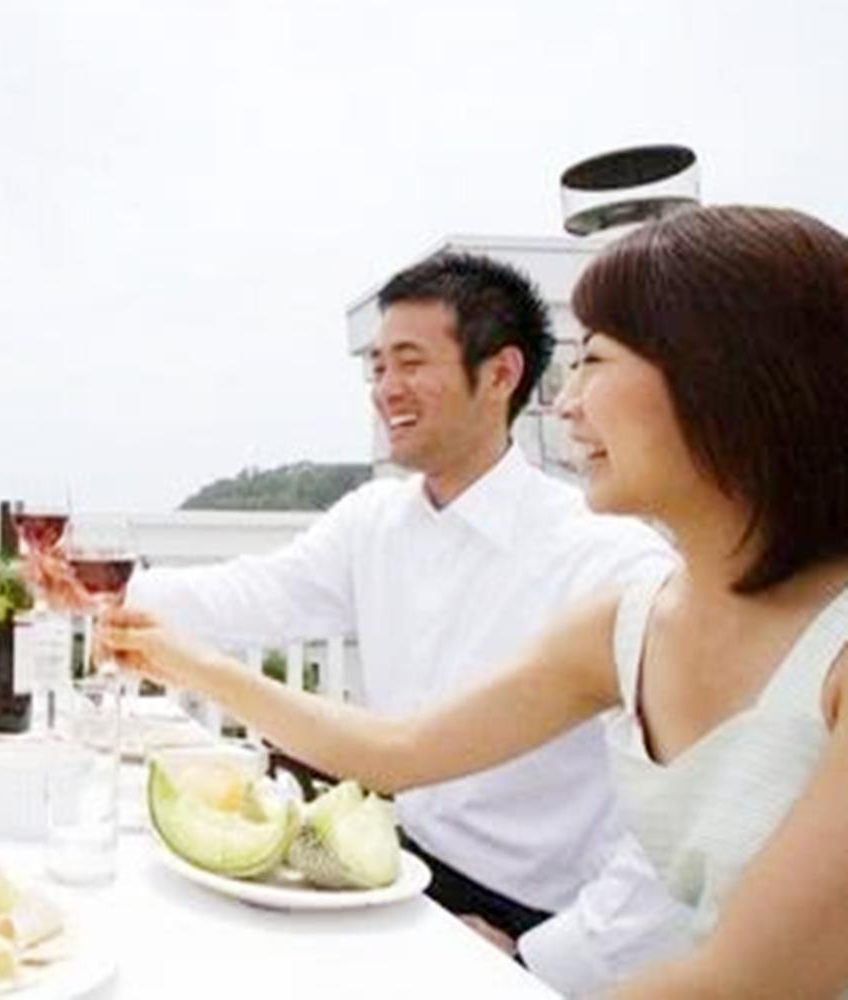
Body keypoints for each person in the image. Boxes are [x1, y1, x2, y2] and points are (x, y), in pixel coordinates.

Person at [103, 204, 848, 997]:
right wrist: (160, 642)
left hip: (544, 930)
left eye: (594, 361)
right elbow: (396, 749)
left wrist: (531, 962)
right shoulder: (627, 623)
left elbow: (739, 976)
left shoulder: (628, 571)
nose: (567, 404)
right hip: (417, 874)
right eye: (375, 366)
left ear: (726, 378)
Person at [41, 252, 691, 993]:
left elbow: (673, 838)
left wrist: (538, 957)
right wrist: (102, 592)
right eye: (377, 367)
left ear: (501, 375)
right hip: (393, 866)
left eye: (410, 363)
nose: (385, 389)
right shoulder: (377, 520)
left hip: (524, 918)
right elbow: (254, 595)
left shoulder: (609, 560)